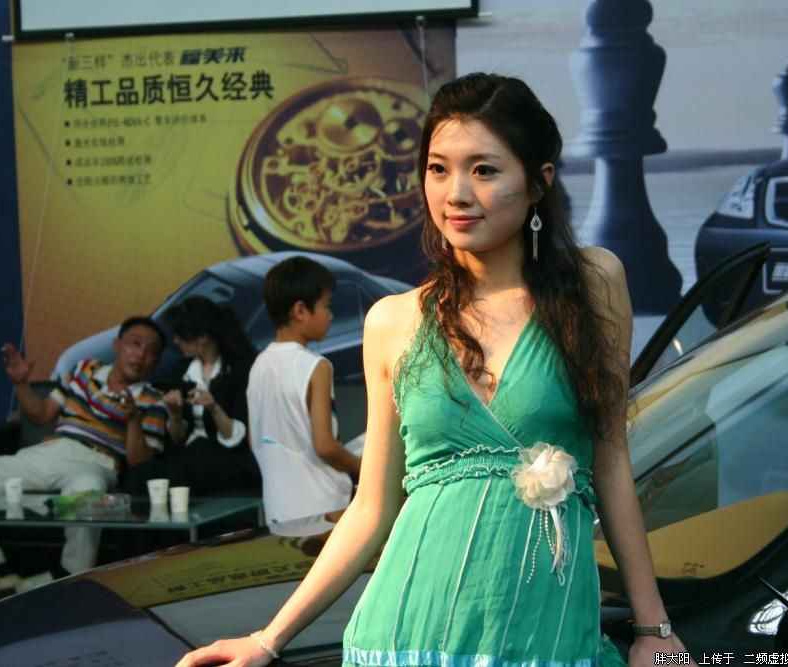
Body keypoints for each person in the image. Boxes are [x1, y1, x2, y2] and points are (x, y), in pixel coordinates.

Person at [177, 73, 686, 667]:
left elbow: (612, 462)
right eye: (438, 169)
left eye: (484, 170)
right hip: (403, 634)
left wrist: (654, 629)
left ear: (539, 181)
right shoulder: (393, 321)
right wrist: (268, 640)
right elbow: (372, 509)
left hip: (542, 638)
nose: (456, 194)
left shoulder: (595, 285)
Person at [0, 316, 168, 578]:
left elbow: (139, 461)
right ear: (117, 345)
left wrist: (132, 420)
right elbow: (42, 415)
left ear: (156, 361)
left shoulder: (154, 401)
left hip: (96, 463)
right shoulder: (84, 369)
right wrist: (21, 384)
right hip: (50, 452)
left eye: (151, 351)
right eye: (135, 344)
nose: (140, 355)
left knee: (88, 498)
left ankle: (73, 580)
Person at [246, 256, 361, 537]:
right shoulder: (316, 366)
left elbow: (255, 439)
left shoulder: (259, 365)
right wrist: (364, 468)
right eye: (326, 306)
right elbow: (325, 446)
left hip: (278, 508)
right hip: (324, 506)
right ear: (300, 310)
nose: (330, 315)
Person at [122, 297, 260, 497]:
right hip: (189, 458)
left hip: (227, 458)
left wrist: (214, 408)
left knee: (198, 454)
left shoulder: (240, 371)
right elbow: (177, 440)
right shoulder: (181, 371)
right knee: (139, 476)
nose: (176, 341)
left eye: (180, 335)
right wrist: (175, 415)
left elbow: (237, 439)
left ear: (202, 337)